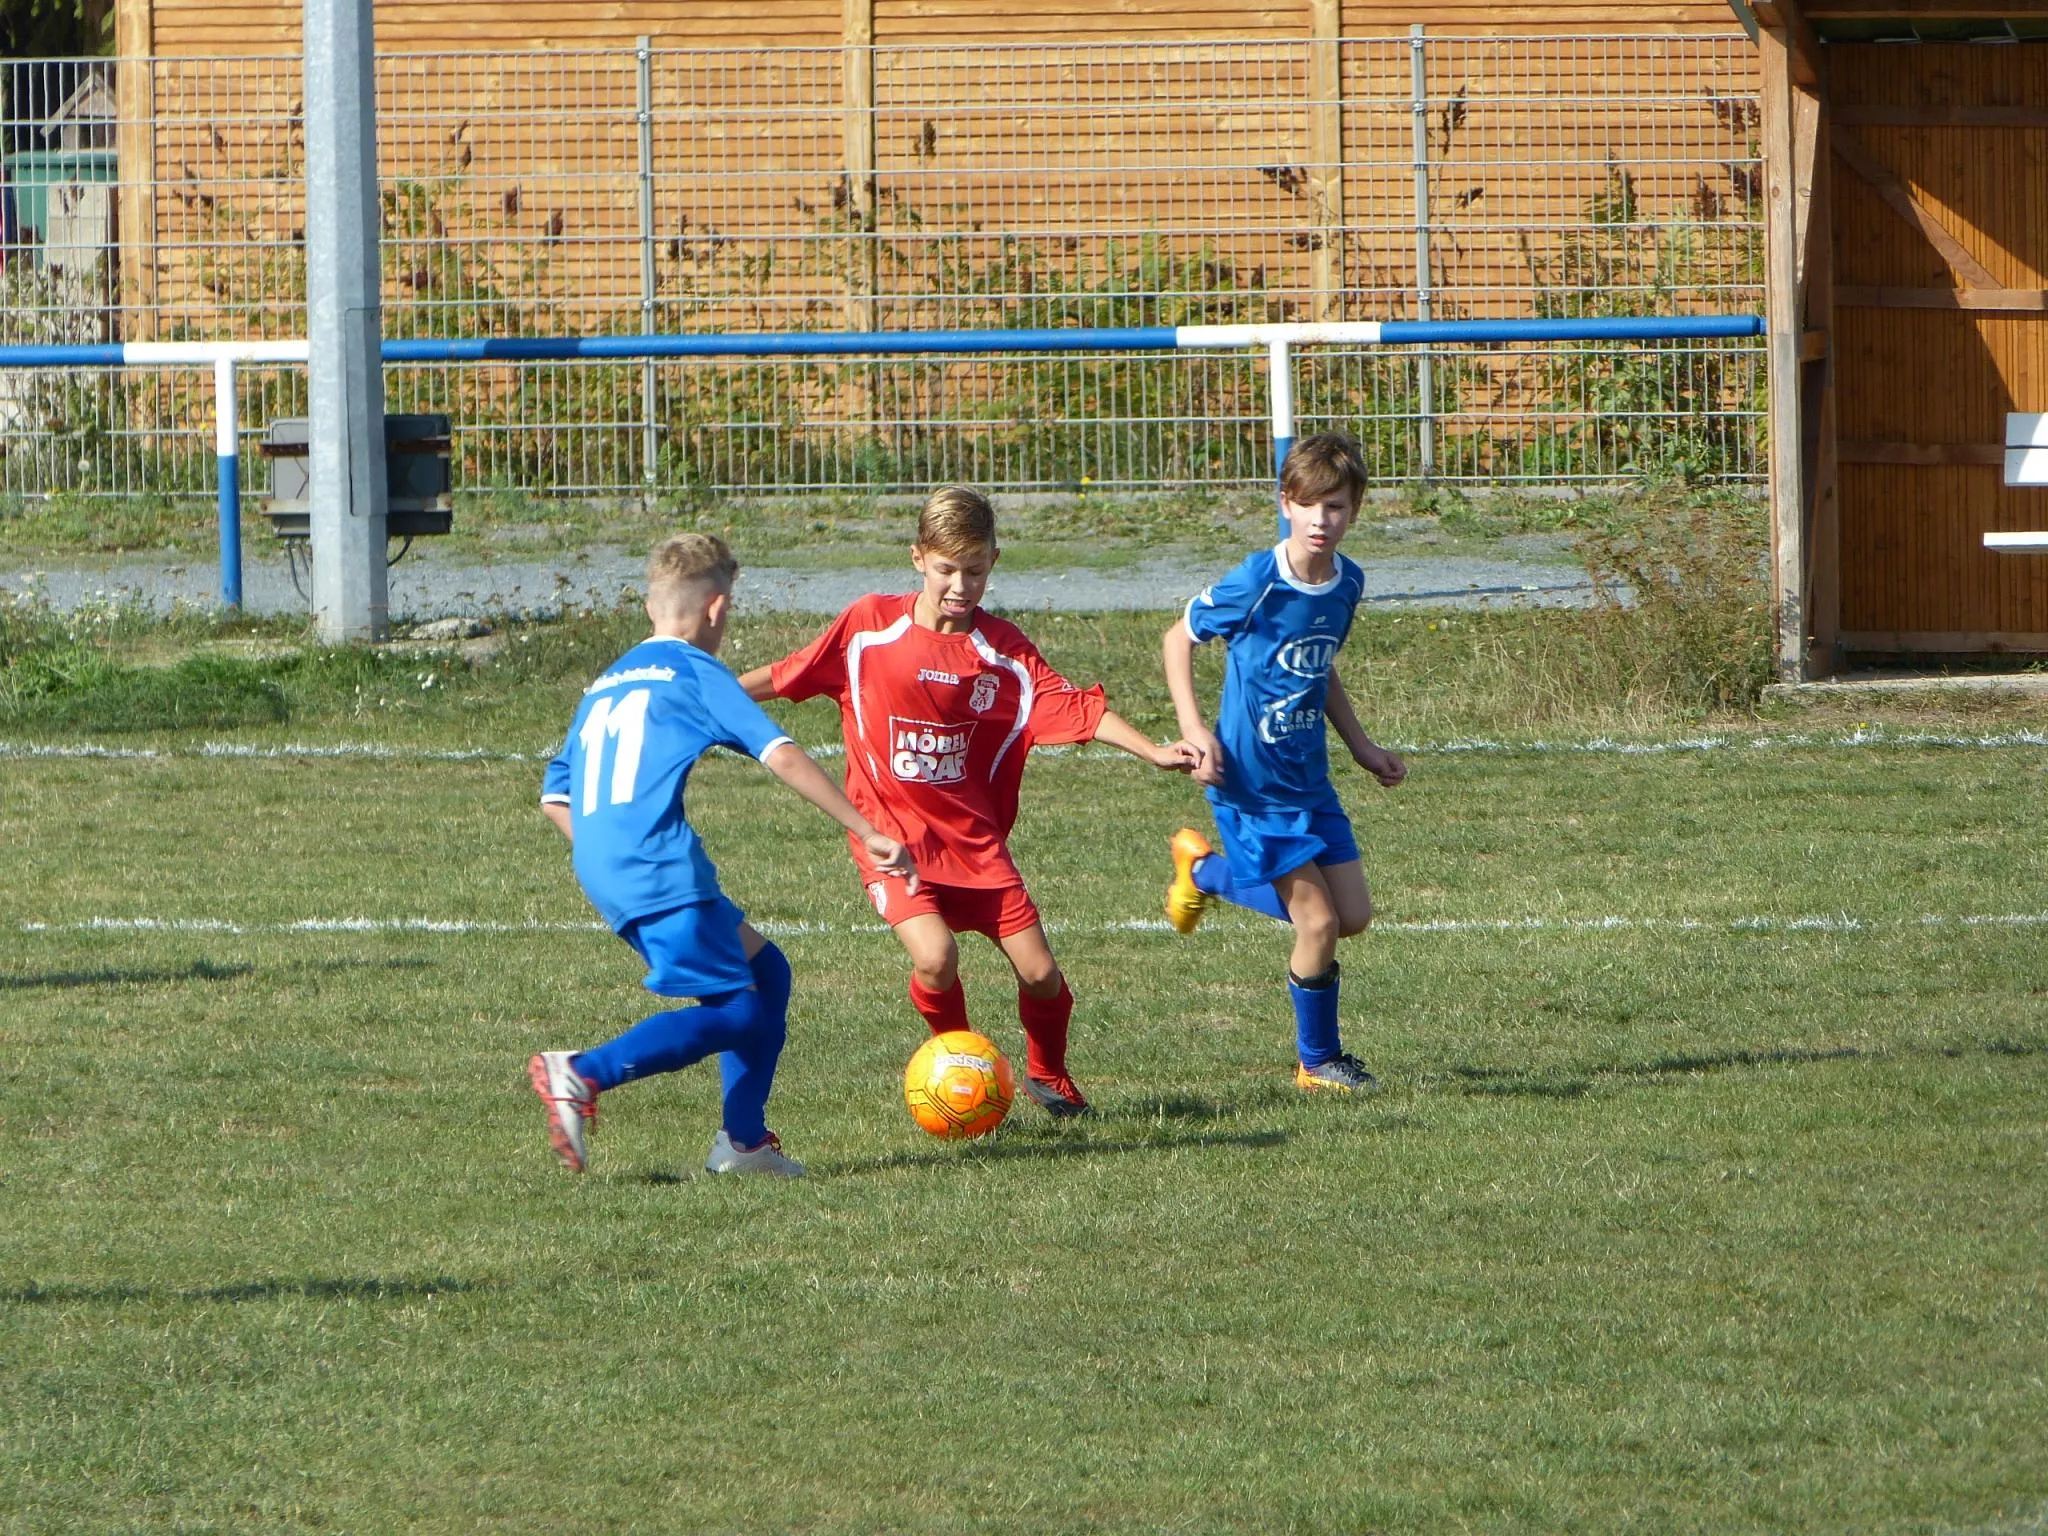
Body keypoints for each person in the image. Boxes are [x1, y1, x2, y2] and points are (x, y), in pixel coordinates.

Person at [739, 486, 1195, 1117]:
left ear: (993, 562)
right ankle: (959, 1064)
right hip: (891, 838)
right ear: (918, 559)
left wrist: (1152, 750)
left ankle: (1049, 1075)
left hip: (975, 843)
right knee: (936, 957)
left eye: (975, 571)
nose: (960, 585)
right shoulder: (869, 627)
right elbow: (787, 671)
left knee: (1040, 973)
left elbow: (1075, 709)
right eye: (946, 569)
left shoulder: (1003, 653)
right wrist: (712, 695)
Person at [529, 533, 918, 1178]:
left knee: (768, 973)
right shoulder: (696, 673)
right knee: (738, 1011)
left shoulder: (606, 683)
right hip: (658, 867)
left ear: (652, 606)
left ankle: (744, 1145)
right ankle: (582, 1072)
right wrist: (867, 829)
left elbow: (554, 799)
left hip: (605, 866)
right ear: (716, 608)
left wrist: (610, 852)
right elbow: (781, 754)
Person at [1160, 431, 1407, 1093]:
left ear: (1355, 511)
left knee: (1351, 918)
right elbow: (1178, 638)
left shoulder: (1347, 584)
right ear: (1285, 504)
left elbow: (1320, 671)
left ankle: (1205, 872)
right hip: (1250, 786)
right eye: (1309, 505)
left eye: (1336, 506)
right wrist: (1193, 730)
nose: (1322, 520)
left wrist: (1362, 747)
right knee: (1317, 923)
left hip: (1309, 782)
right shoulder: (1256, 581)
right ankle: (1317, 1061)